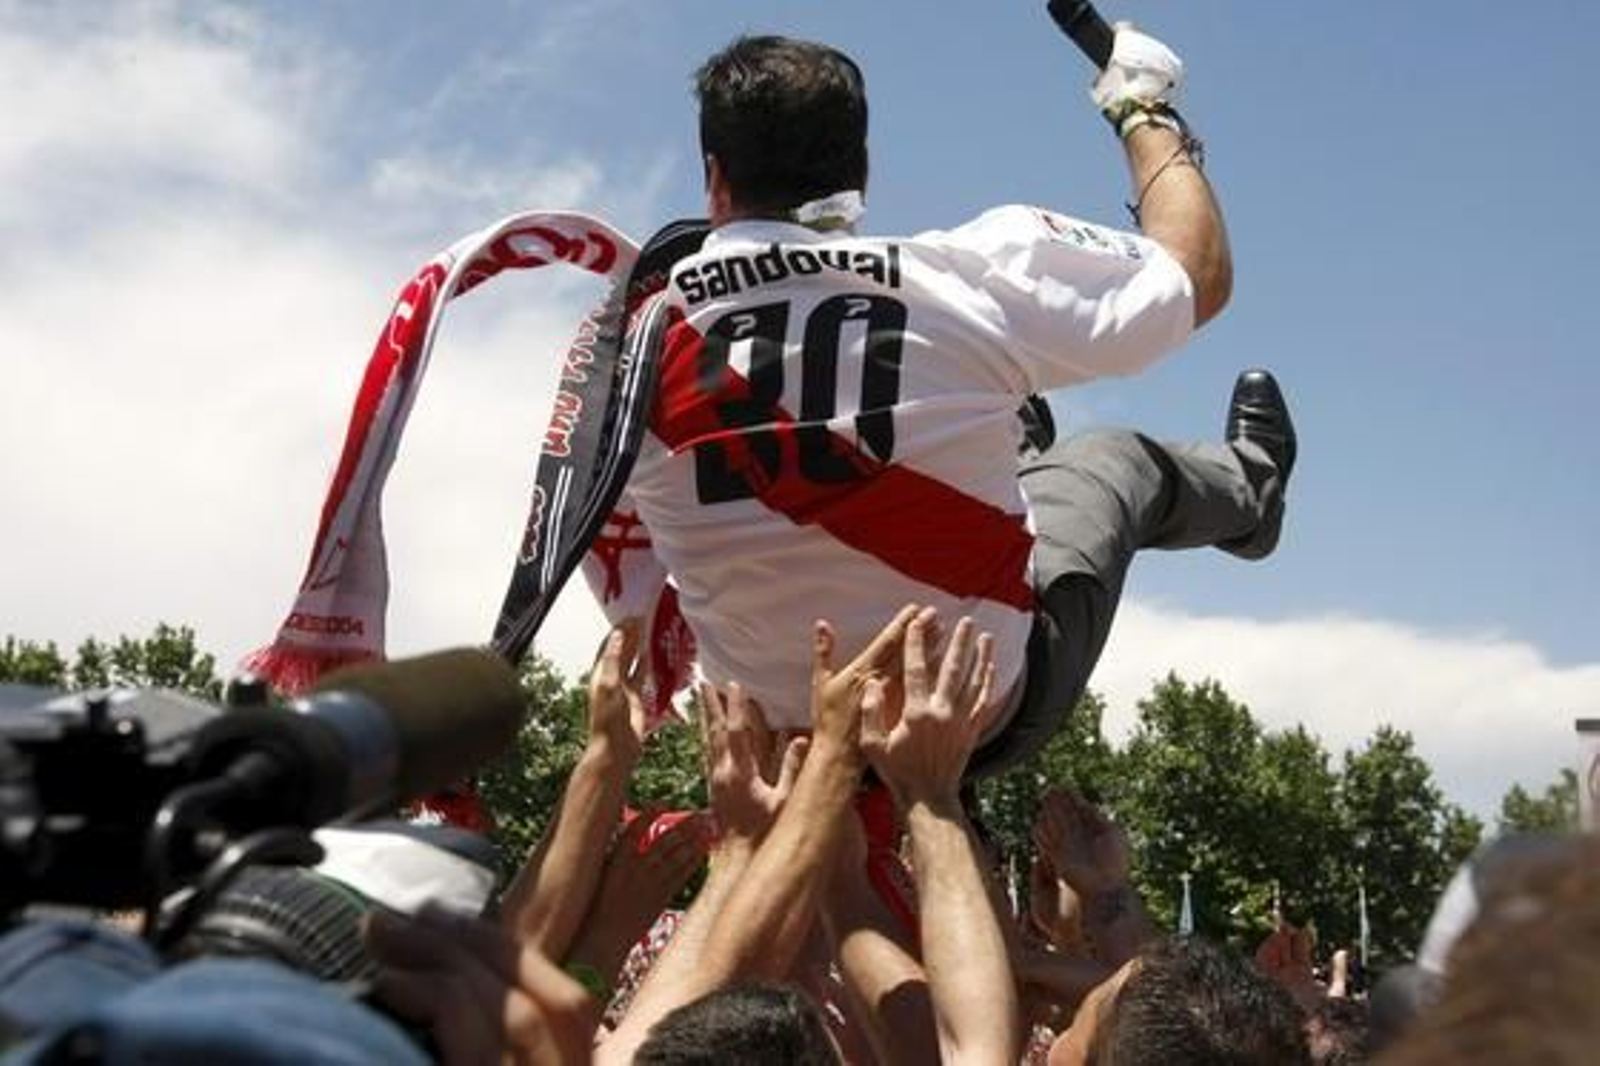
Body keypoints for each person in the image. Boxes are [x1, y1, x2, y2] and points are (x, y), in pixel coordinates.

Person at [624, 26, 1297, 773]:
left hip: (768, 746)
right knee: (1110, 459)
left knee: (992, 435)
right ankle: (1253, 490)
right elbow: (1196, 271)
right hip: (968, 716)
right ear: (864, 170)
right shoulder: (971, 276)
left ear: (714, 177)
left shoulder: (638, 343)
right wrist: (1141, 108)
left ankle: (1019, 446)